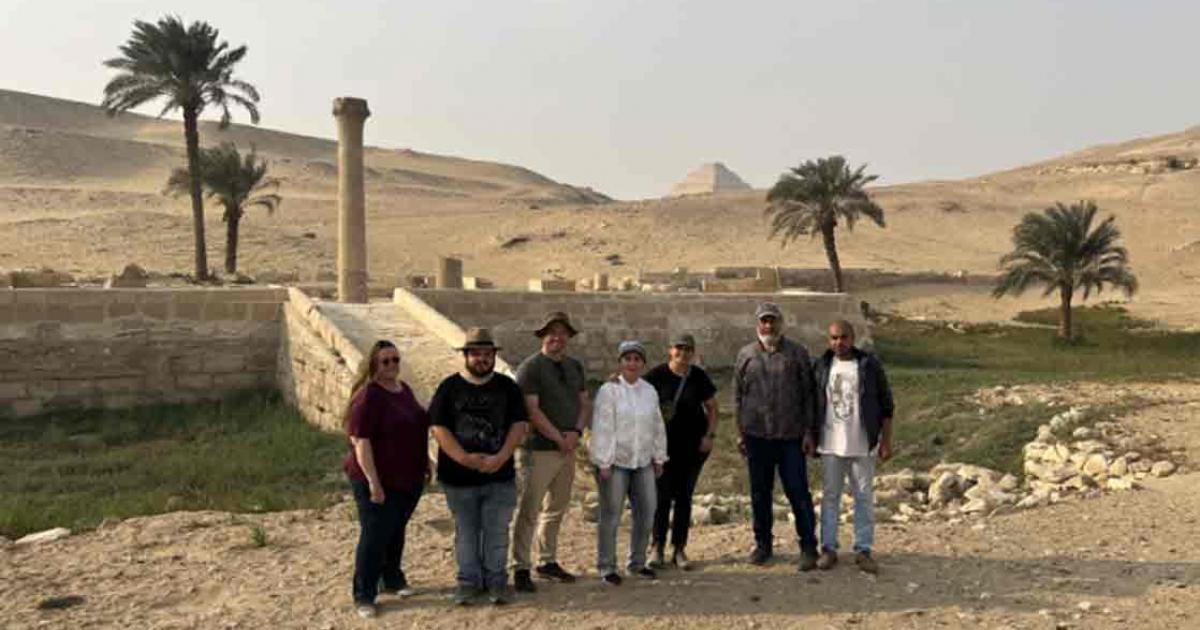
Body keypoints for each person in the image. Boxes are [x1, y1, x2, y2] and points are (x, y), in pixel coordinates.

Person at [429, 328, 529, 605]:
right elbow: (438, 427)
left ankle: (496, 582)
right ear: (466, 356)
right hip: (458, 477)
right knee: (466, 533)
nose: (482, 359)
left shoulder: (508, 388)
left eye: (487, 354)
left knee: (497, 532)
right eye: (476, 354)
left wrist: (501, 457)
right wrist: (463, 457)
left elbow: (518, 425)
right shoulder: (449, 388)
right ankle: (469, 582)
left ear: (494, 356)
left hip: (499, 475)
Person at [342, 340, 431, 619]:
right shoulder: (368, 396)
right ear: (373, 365)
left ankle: (391, 578)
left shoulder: (403, 390)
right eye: (385, 361)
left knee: (396, 528)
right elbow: (361, 441)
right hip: (378, 477)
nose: (392, 365)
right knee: (374, 534)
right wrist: (373, 482)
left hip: (408, 475)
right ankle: (364, 594)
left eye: (395, 359)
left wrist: (426, 460)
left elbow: (417, 427)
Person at [733, 302, 821, 571]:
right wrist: (740, 432)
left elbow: (809, 395)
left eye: (773, 321)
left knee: (798, 492)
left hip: (790, 436)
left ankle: (808, 547)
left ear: (781, 323)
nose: (768, 326)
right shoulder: (745, 354)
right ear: (757, 324)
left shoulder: (797, 353)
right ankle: (763, 545)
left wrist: (809, 432)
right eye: (764, 321)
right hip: (757, 435)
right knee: (760, 493)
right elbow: (738, 396)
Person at [511, 311, 591, 592]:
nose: (557, 337)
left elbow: (584, 403)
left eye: (562, 332)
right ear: (543, 335)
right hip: (539, 449)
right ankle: (520, 566)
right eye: (552, 332)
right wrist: (560, 437)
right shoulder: (530, 368)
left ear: (569, 336)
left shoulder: (574, 366)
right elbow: (532, 410)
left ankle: (547, 560)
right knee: (529, 508)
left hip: (566, 447)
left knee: (556, 507)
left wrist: (576, 432)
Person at [813, 319, 894, 575]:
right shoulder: (822, 365)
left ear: (853, 337)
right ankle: (828, 548)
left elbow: (886, 406)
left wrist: (885, 440)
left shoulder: (869, 366)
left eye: (844, 337)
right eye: (834, 338)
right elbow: (812, 403)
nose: (839, 343)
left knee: (863, 497)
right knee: (830, 497)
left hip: (862, 444)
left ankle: (863, 549)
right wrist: (809, 435)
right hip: (830, 444)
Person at [589, 340, 668, 585]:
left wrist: (659, 456)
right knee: (611, 514)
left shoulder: (649, 391)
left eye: (637, 359)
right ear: (620, 362)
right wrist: (604, 461)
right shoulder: (609, 390)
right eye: (627, 359)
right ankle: (607, 566)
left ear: (643, 364)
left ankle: (637, 562)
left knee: (647, 512)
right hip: (616, 463)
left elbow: (656, 425)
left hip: (642, 461)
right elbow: (603, 426)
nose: (632, 363)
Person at [643, 333, 718, 571]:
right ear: (670, 350)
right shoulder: (656, 376)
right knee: (661, 497)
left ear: (693, 352)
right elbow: (635, 391)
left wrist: (709, 435)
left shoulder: (698, 377)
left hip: (692, 448)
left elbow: (713, 407)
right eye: (679, 348)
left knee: (684, 498)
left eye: (688, 349)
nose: (683, 353)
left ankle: (679, 548)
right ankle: (657, 547)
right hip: (662, 449)